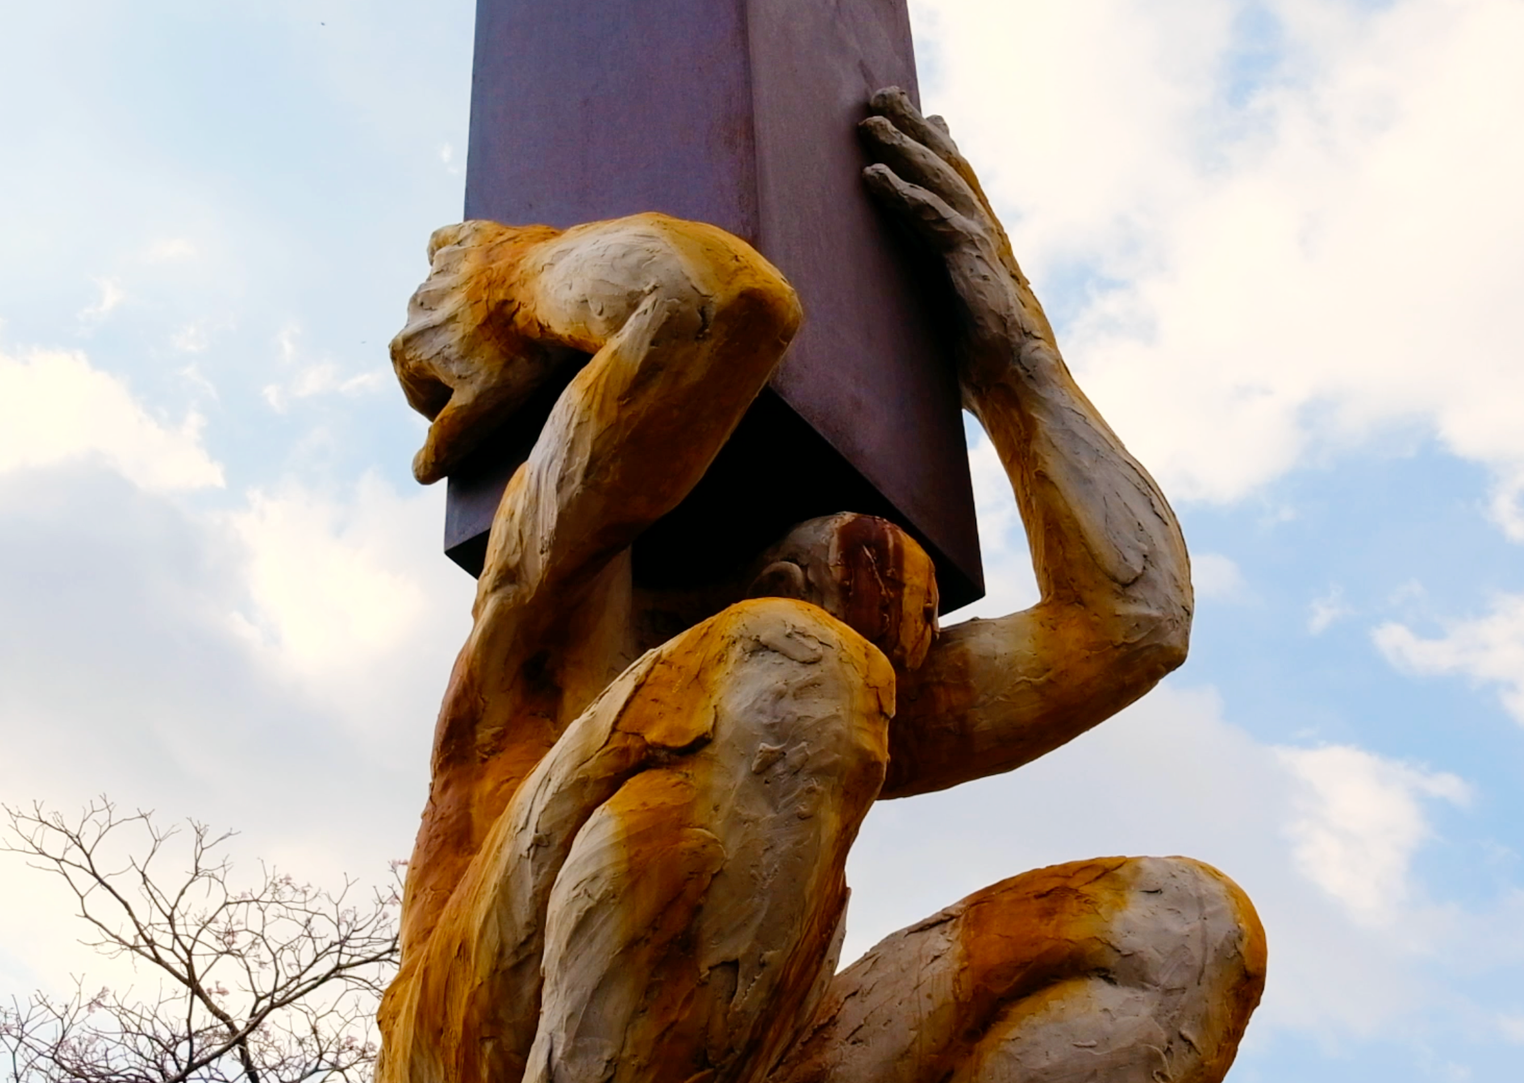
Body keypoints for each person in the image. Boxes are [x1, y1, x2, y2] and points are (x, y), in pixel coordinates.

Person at [376, 88, 1265, 1083]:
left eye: (910, 630)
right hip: (477, 1039)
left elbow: (1132, 620)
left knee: (1175, 927)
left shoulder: (836, 705)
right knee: (789, 671)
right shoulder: (566, 607)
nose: (887, 640)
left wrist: (1010, 354)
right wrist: (503, 280)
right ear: (771, 570)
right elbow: (707, 302)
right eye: (857, 579)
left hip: (744, 1051)